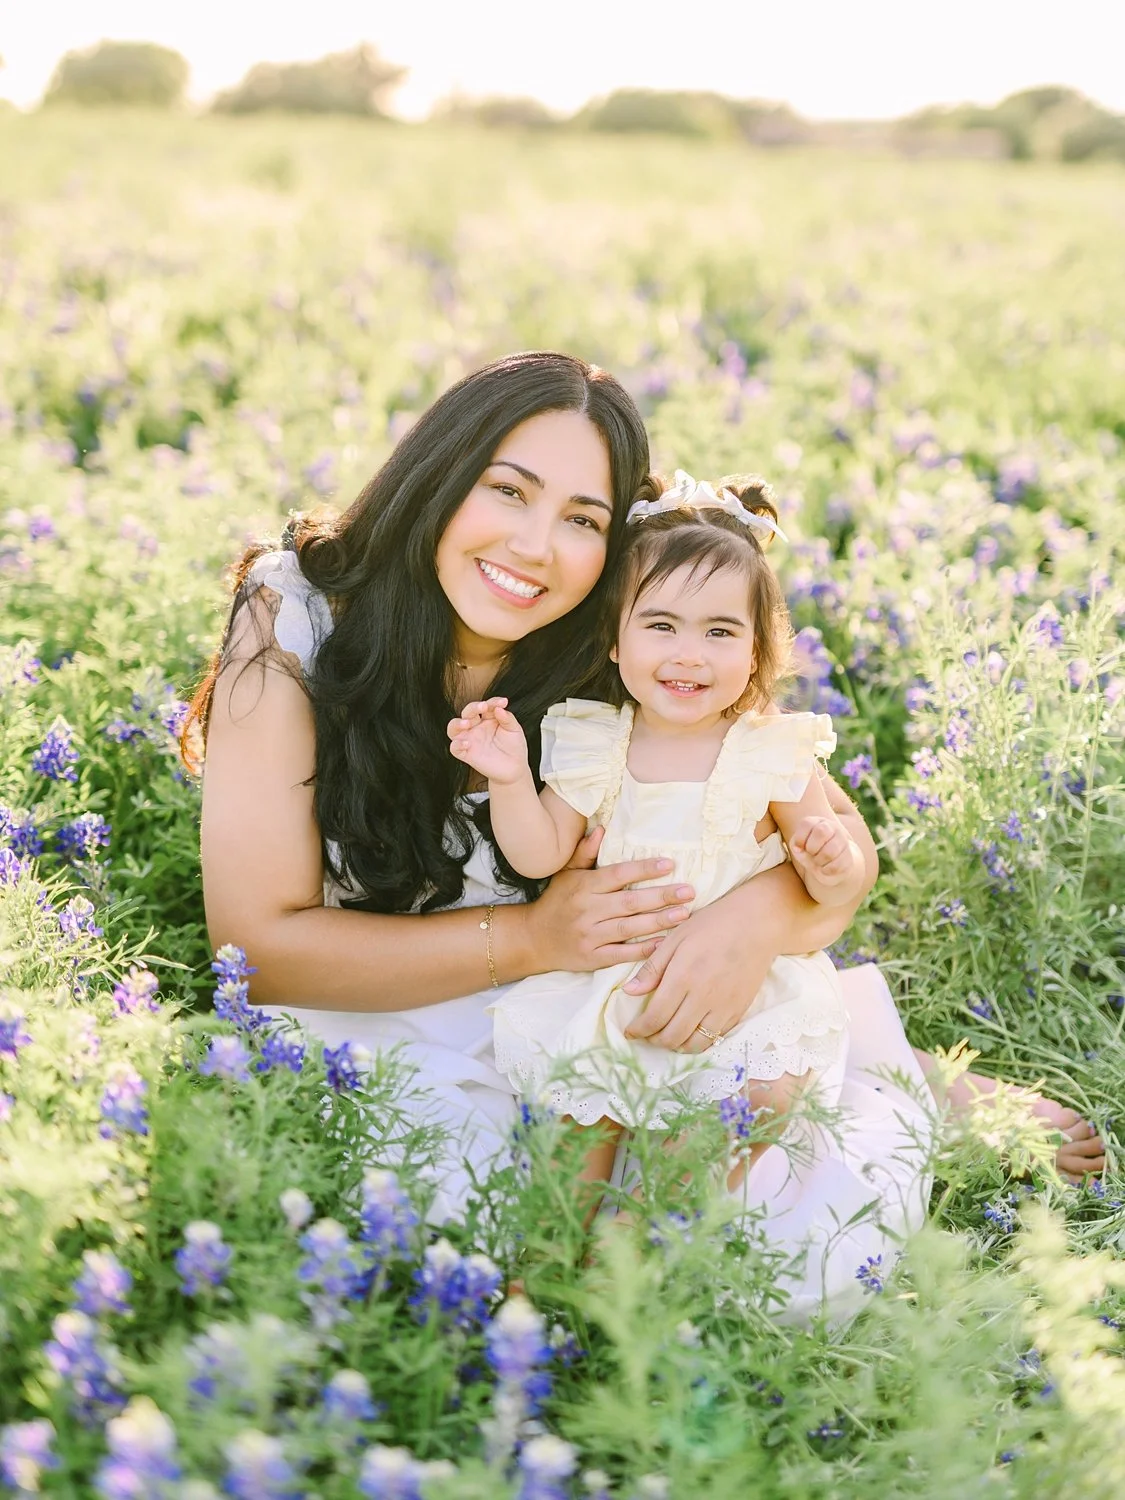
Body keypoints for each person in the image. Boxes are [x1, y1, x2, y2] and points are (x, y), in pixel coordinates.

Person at [193, 350, 1104, 1326]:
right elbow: (256, 949)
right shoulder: (299, 610)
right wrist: (537, 938)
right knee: (471, 1238)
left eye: (582, 519)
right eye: (509, 490)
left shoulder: (623, 630)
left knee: (790, 1233)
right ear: (439, 473)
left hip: (615, 996)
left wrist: (752, 920)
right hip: (387, 1009)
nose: (538, 547)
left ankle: (883, 1074)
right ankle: (871, 1078)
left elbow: (837, 857)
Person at [449, 470, 867, 1208]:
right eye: (661, 626)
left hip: (734, 999)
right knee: (575, 1127)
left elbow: (830, 881)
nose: (688, 655)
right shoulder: (593, 740)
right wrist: (510, 779)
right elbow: (541, 854)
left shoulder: (770, 750)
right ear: (614, 642)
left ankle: (642, 1246)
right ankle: (542, 1267)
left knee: (733, 1115)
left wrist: (829, 861)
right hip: (615, 988)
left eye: (719, 632)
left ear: (755, 653)